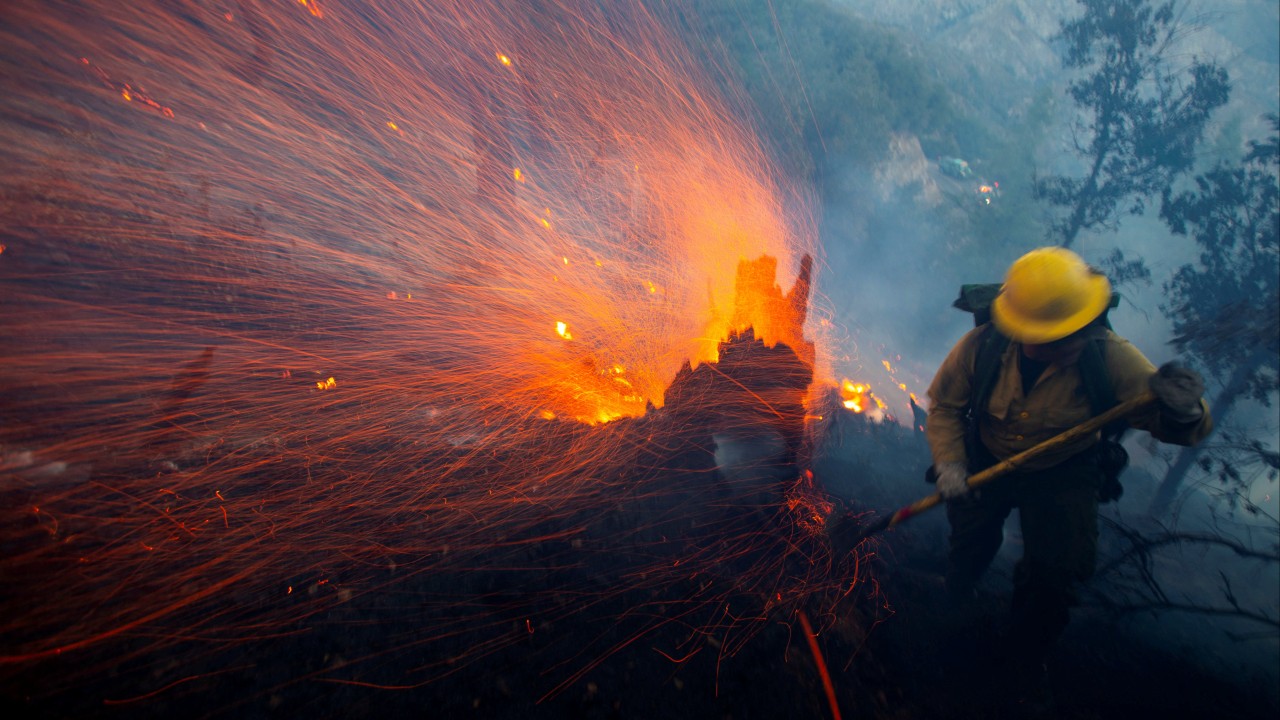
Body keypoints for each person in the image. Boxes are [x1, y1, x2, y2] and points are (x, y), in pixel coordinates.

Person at [924, 247, 1213, 692]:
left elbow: (1177, 425)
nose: (1074, 342)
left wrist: (1185, 412)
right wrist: (950, 465)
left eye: (1080, 331)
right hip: (988, 457)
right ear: (1020, 331)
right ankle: (956, 598)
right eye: (1058, 338)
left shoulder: (1111, 357)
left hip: (1064, 472)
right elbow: (945, 406)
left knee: (1056, 574)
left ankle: (1023, 657)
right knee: (971, 539)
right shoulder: (983, 348)